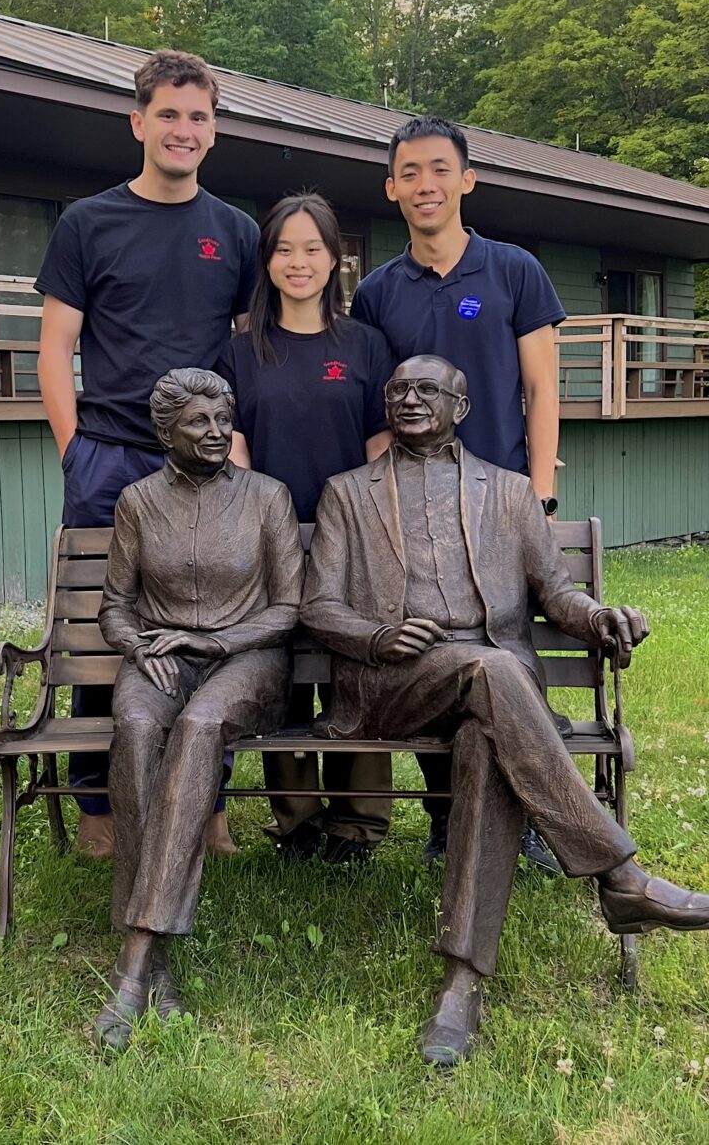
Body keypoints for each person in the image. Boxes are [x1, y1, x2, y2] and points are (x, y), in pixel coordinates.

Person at [301, 355, 709, 1066]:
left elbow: (556, 594)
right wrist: (377, 634)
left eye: (427, 390)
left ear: (461, 405)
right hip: (393, 686)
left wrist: (600, 615)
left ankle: (459, 992)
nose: (409, 399)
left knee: (487, 744)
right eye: (398, 390)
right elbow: (316, 607)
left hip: (493, 696)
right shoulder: (347, 493)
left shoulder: (512, 492)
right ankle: (619, 877)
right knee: (491, 670)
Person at [36, 49, 258, 860]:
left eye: (198, 116)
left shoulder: (234, 233)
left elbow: (243, 351)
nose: (183, 129)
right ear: (138, 123)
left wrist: (232, 447)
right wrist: (74, 452)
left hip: (202, 467)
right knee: (100, 638)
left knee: (214, 628)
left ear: (213, 132)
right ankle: (99, 808)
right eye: (168, 113)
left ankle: (209, 808)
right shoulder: (87, 223)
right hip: (106, 459)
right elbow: (54, 350)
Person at [351, 115, 566, 868]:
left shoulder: (514, 271)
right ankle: (447, 818)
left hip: (501, 505)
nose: (425, 185)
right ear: (392, 188)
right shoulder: (377, 292)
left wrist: (539, 496)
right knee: (434, 651)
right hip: (417, 508)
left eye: (439, 170)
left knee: (506, 647)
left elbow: (543, 390)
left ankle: (530, 818)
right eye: (409, 173)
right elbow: (376, 406)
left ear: (467, 179)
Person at [95, 368, 304, 1052]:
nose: (216, 432)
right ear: (166, 431)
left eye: (224, 419)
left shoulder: (267, 497)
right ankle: (155, 958)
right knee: (133, 725)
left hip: (249, 660)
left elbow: (289, 609)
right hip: (160, 656)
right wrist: (137, 644)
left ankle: (135, 958)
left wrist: (214, 638)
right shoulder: (136, 502)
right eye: (199, 422)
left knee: (199, 725)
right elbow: (115, 607)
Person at [217, 192, 395, 862]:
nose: (299, 261)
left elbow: (383, 445)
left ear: (335, 259)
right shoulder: (238, 352)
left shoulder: (366, 346)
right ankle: (294, 820)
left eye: (312, 248)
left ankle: (357, 824)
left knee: (356, 671)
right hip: (272, 540)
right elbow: (231, 448)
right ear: (268, 260)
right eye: (284, 248)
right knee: (284, 674)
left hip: (353, 541)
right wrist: (261, 523)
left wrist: (369, 522)